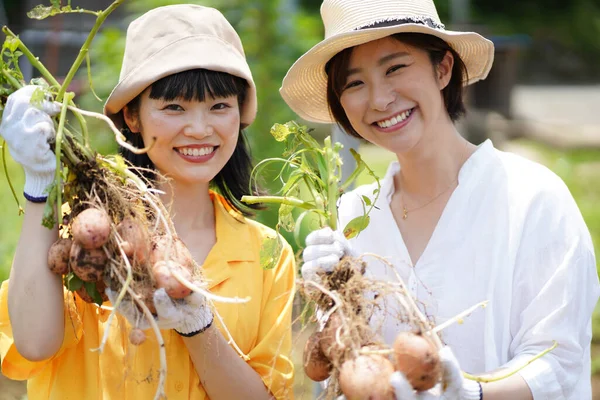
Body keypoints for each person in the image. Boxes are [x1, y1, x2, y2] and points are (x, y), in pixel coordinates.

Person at [280, 0, 599, 399]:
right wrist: (329, 299)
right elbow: (338, 375)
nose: (379, 100)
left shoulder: (533, 198)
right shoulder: (350, 216)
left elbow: (558, 362)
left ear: (443, 68)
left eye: (395, 68)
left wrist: (472, 394)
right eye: (355, 83)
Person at [0, 5, 295, 399]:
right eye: (174, 107)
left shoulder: (268, 255)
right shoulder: (85, 234)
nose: (199, 128)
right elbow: (35, 344)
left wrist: (198, 325)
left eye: (219, 106)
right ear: (132, 117)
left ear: (240, 114)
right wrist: (41, 186)